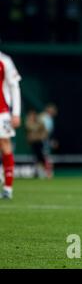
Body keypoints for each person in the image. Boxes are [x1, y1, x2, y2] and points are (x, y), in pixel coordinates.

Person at [0, 51, 22, 199]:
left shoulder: (4, 60)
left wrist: (16, 113)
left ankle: (8, 188)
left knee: (5, 143)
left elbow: (14, 86)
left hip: (2, 111)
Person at [25, 109, 51, 179]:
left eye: (32, 115)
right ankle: (38, 173)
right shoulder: (28, 122)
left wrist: (42, 137)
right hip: (33, 142)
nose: (31, 117)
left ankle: (48, 172)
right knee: (36, 158)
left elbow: (45, 131)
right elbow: (29, 129)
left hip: (39, 142)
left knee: (42, 157)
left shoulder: (39, 122)